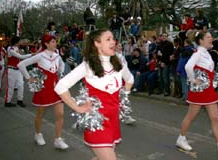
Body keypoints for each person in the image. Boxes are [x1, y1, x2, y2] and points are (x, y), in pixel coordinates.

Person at [54, 29, 134, 160]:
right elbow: (60, 86)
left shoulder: (119, 61)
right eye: (108, 39)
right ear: (97, 43)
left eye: (113, 39)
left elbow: (130, 79)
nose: (113, 42)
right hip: (97, 121)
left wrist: (123, 97)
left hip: (113, 119)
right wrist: (78, 108)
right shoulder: (87, 65)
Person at [175, 31, 218, 157]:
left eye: (211, 37)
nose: (211, 39)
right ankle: (181, 139)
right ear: (201, 41)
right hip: (200, 90)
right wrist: (193, 80)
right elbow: (188, 67)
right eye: (208, 37)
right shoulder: (198, 53)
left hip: (207, 89)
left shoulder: (206, 53)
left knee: (215, 118)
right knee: (191, 116)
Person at [18, 34, 68, 149]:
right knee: (40, 114)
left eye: (55, 41)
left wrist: (60, 74)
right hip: (44, 89)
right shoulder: (40, 56)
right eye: (53, 42)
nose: (55, 43)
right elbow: (21, 64)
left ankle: (58, 139)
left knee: (60, 114)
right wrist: (29, 77)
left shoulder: (57, 56)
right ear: (46, 44)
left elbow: (62, 65)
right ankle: (38, 134)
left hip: (56, 88)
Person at [4, 36, 32, 107]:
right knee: (11, 86)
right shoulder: (10, 49)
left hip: (18, 69)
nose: (21, 42)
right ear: (16, 42)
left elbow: (21, 57)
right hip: (11, 69)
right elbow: (20, 57)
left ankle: (20, 100)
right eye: (20, 41)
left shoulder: (17, 48)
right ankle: (7, 101)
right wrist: (32, 54)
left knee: (21, 85)